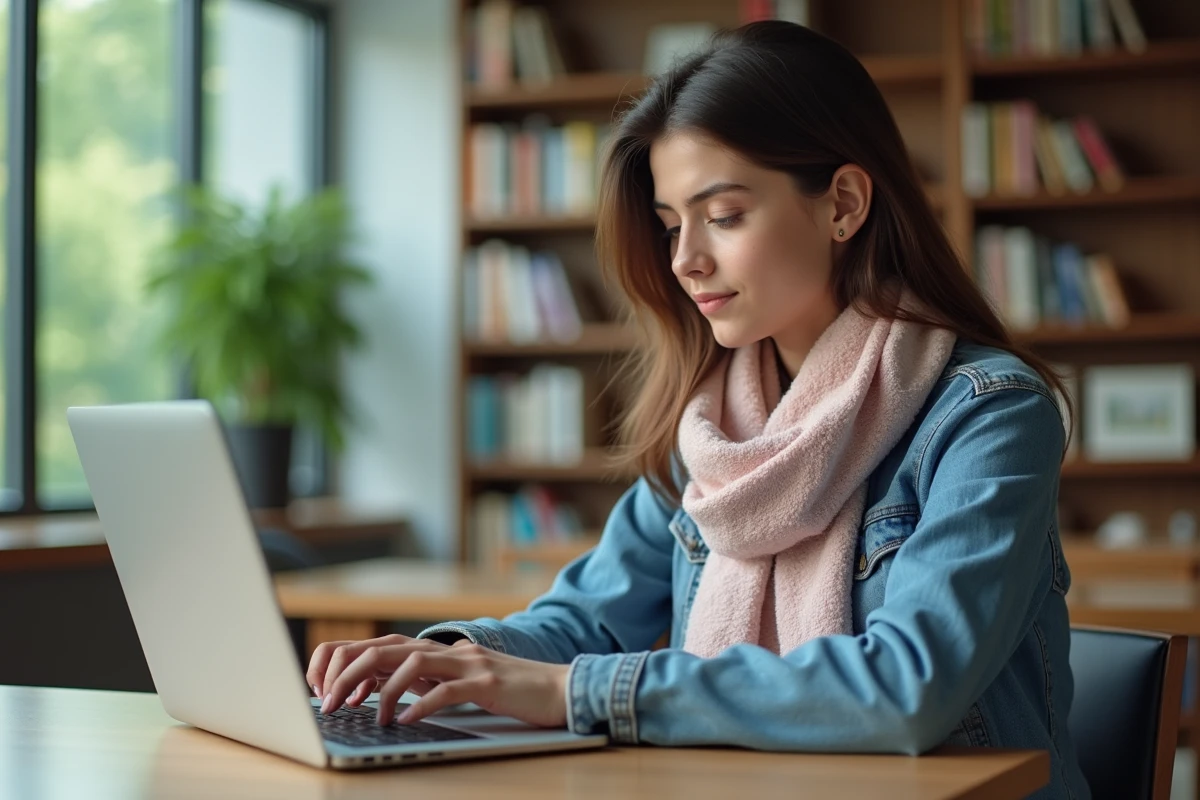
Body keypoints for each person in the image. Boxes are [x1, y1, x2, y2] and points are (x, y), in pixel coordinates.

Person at [308, 21, 1088, 799]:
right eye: (671, 226)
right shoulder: (713, 431)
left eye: (723, 216)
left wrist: (576, 691)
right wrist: (444, 659)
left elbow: (910, 686)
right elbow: (585, 622)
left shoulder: (989, 415)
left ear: (843, 205)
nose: (685, 260)